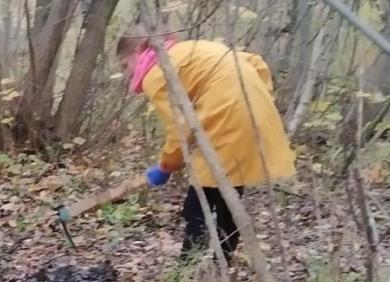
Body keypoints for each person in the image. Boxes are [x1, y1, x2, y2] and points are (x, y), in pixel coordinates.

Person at [117, 32, 295, 262]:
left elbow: (179, 128)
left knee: (197, 206)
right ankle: (222, 267)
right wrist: (257, 100)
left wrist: (166, 166)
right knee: (228, 198)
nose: (127, 73)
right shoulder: (187, 51)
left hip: (227, 118)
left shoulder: (157, 72)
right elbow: (255, 63)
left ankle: (187, 274)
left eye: (125, 65)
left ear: (137, 51)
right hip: (256, 111)